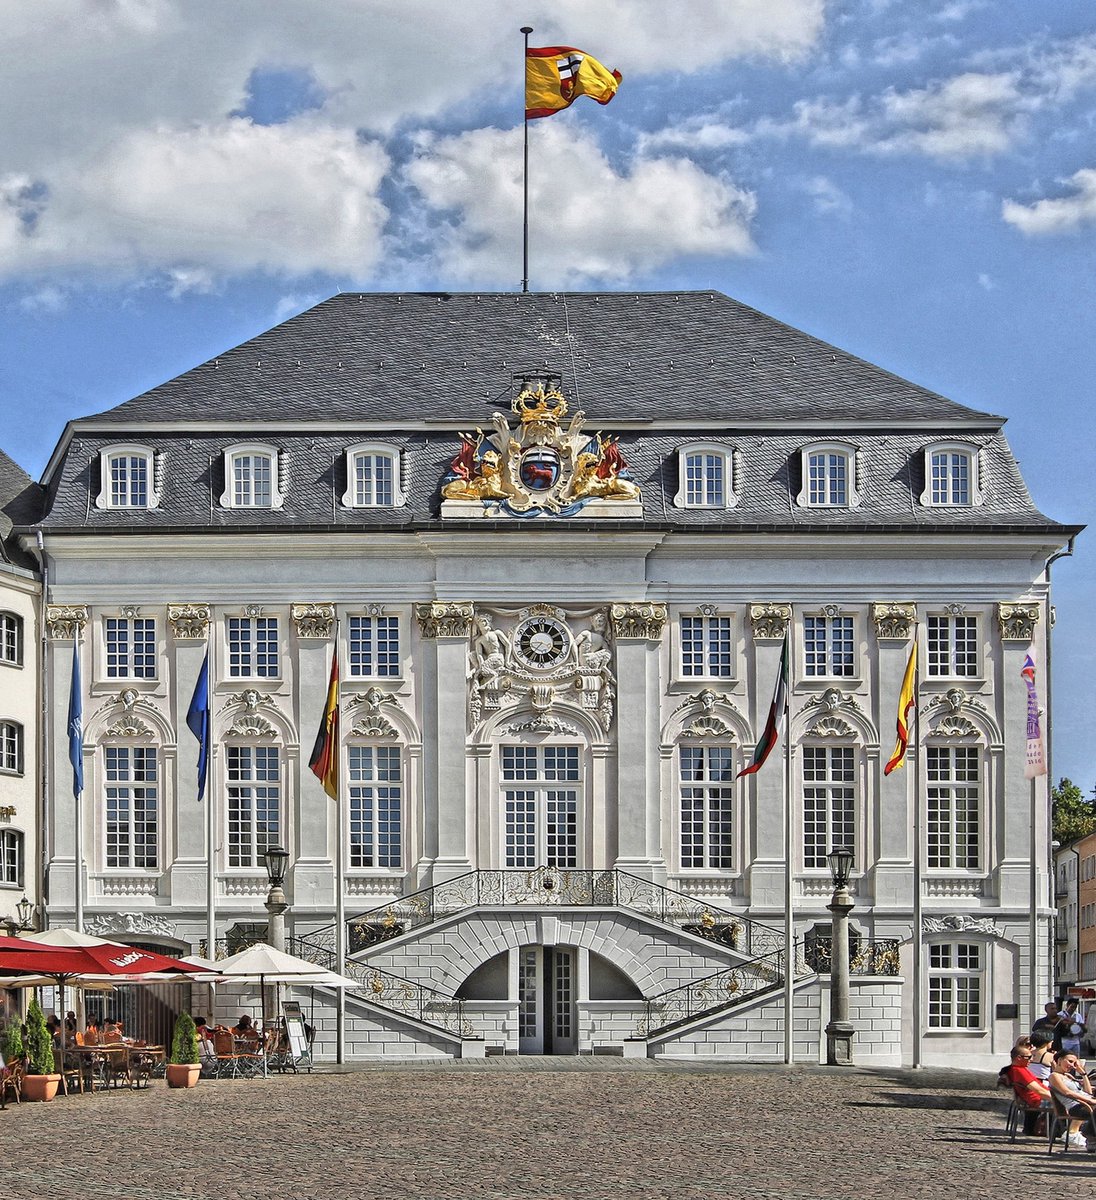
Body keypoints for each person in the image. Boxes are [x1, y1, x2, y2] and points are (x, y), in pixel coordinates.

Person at [1048, 1050, 1096, 1149]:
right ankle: (1090, 1136)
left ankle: (1090, 1135)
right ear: (1060, 1060)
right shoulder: (1054, 1076)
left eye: (1074, 1063)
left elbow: (1088, 1092)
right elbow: (1067, 1092)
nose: (1072, 1065)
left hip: (1086, 1103)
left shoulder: (1068, 1076)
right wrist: (1090, 1101)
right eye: (1070, 1061)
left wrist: (1083, 1073)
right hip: (1077, 1106)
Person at [1005, 1043, 1052, 1135]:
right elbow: (1039, 1091)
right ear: (1019, 1058)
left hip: (1035, 1099)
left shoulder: (1020, 1068)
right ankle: (1068, 1133)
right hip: (1036, 1101)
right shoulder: (1019, 1071)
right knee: (1072, 1105)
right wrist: (1058, 1099)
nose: (1032, 1059)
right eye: (1029, 1057)